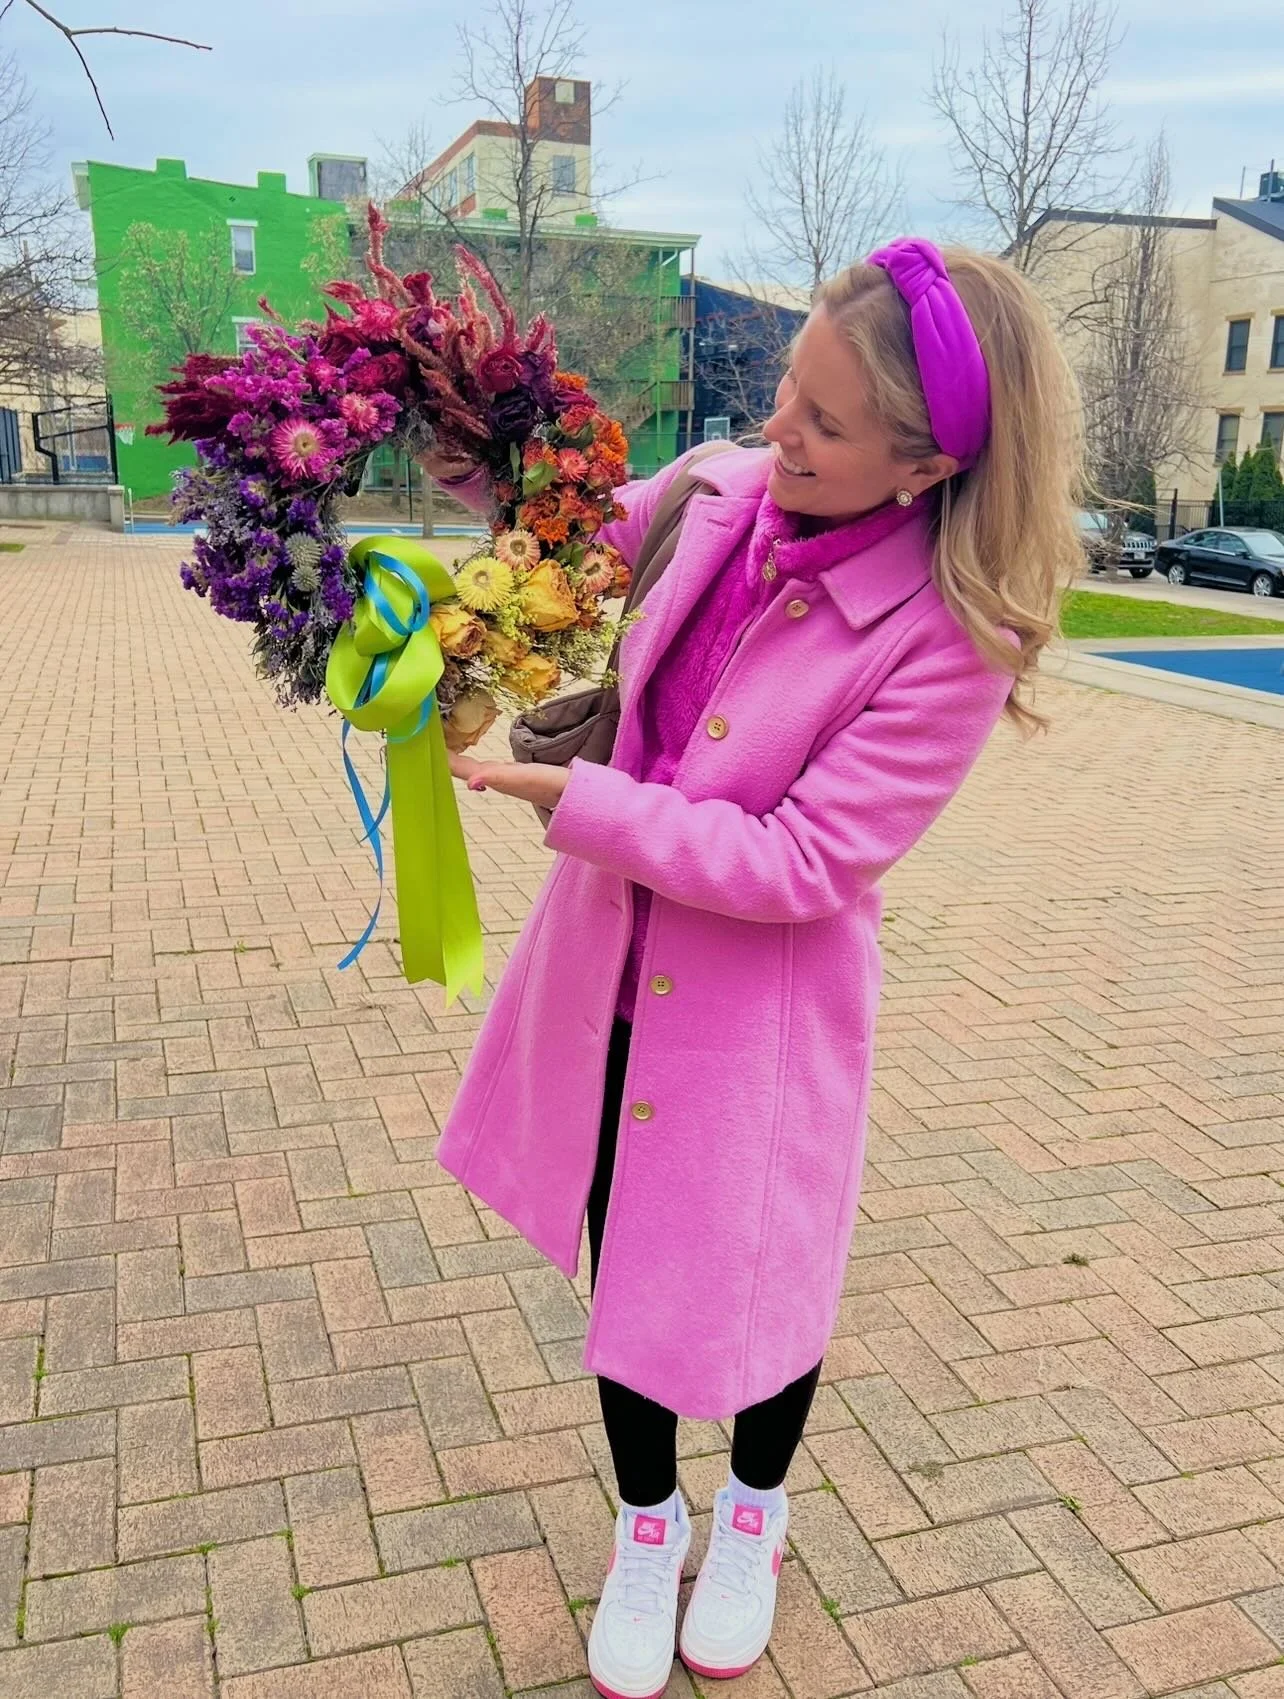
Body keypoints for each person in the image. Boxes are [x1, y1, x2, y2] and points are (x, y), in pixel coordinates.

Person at [424, 239, 1082, 1699]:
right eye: (788, 391)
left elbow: (801, 863)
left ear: (925, 465)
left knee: (755, 1287)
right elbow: (566, 533)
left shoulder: (947, 641)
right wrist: (467, 444)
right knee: (623, 1257)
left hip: (754, 1022)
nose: (780, 431)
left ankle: (756, 1515)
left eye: (825, 424)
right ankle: (648, 1523)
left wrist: (576, 802)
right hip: (605, 972)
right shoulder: (721, 485)